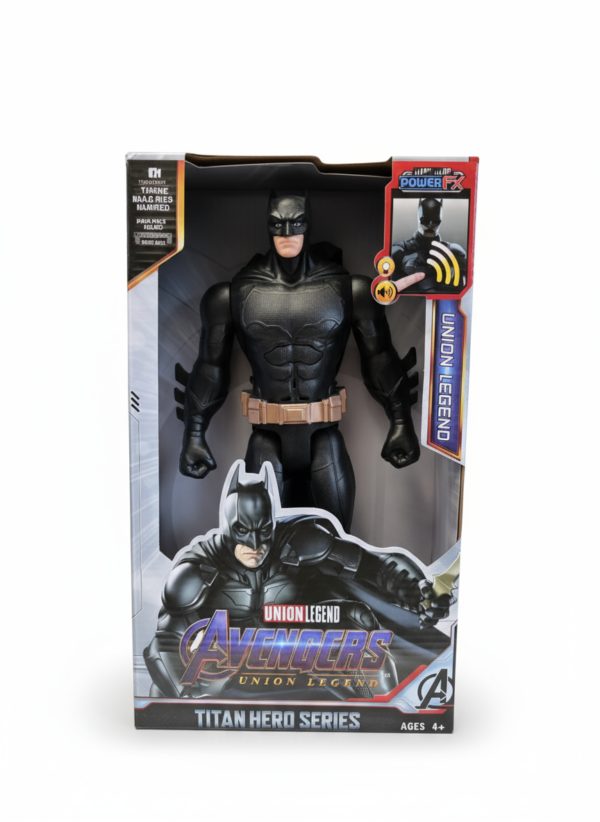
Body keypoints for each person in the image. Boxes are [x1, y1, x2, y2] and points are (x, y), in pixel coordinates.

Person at [178, 190, 424, 530]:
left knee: (336, 543)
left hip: (324, 435)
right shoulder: (232, 295)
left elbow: (379, 359)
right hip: (266, 437)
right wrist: (193, 434)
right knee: (259, 546)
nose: (287, 232)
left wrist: (401, 423)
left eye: (296, 223)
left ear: (308, 224)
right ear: (267, 225)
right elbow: (210, 367)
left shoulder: (349, 290)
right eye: (278, 224)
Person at [144, 463, 452, 699]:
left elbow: (375, 567)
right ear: (228, 528)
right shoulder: (201, 565)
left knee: (358, 620)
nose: (255, 545)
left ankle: (386, 707)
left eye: (263, 531)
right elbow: (166, 642)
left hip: (300, 653)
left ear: (271, 524)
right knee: (182, 673)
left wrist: (418, 593)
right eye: (243, 532)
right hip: (222, 670)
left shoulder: (297, 542)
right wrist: (184, 699)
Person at [391, 197, 467, 294]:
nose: (430, 225)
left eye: (435, 221)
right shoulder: (399, 250)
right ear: (419, 219)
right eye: (425, 221)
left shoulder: (454, 252)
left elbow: (465, 289)